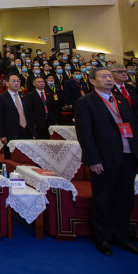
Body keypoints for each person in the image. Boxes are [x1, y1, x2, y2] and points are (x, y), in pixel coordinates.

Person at [74, 67, 138, 256]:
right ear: (93, 81)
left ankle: (122, 236)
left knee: (124, 199)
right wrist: (93, 159)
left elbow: (133, 126)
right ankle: (103, 238)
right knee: (103, 199)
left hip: (128, 156)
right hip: (104, 159)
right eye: (104, 77)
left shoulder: (120, 100)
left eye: (110, 76)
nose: (109, 79)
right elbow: (85, 134)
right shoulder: (86, 102)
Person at [0, 73, 36, 159]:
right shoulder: (1, 97)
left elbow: (30, 116)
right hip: (11, 132)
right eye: (13, 81)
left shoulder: (24, 97)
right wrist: (1, 135)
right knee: (11, 157)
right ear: (7, 83)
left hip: (26, 131)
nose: (16, 83)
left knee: (26, 156)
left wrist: (33, 133)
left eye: (18, 81)